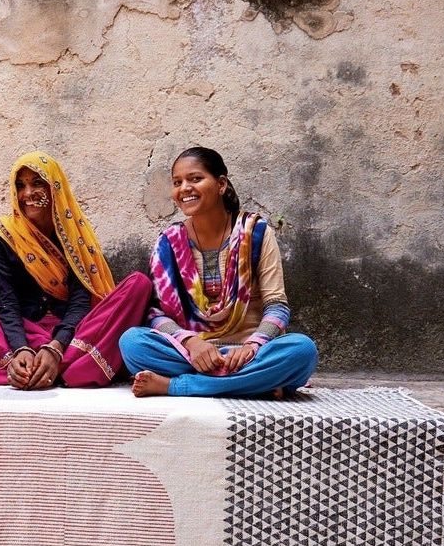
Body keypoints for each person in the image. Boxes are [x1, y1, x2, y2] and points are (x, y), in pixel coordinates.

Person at [0, 152, 151, 388]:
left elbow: (81, 301)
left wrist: (56, 346)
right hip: (22, 331)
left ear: (55, 187)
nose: (27, 193)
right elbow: (7, 302)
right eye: (20, 185)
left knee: (139, 284)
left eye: (37, 183)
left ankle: (48, 365)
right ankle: (46, 366)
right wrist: (20, 348)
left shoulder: (73, 232)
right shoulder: (2, 235)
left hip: (73, 332)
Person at [118, 146, 318, 399]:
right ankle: (256, 385)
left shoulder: (255, 233)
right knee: (132, 343)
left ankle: (176, 386)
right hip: (190, 353)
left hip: (250, 353)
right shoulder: (168, 241)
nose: (184, 189)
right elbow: (156, 313)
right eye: (177, 182)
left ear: (221, 184)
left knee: (302, 350)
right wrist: (191, 342)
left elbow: (276, 305)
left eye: (195, 179)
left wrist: (253, 345)